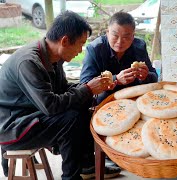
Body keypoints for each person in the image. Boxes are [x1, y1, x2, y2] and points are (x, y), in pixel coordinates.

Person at [0, 11, 121, 179]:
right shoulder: (28, 62)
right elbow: (51, 106)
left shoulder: (53, 58)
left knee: (84, 107)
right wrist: (87, 89)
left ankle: (86, 165)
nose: (80, 51)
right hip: (13, 127)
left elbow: (62, 90)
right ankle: (70, 177)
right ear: (64, 41)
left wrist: (92, 86)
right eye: (80, 44)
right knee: (71, 119)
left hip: (31, 114)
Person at [80, 11, 158, 105]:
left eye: (126, 37)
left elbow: (154, 77)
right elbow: (85, 84)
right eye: (115, 36)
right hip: (106, 99)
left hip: (134, 98)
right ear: (107, 33)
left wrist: (145, 76)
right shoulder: (95, 49)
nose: (120, 42)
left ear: (133, 36)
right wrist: (115, 79)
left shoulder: (139, 46)